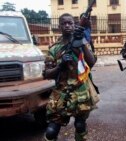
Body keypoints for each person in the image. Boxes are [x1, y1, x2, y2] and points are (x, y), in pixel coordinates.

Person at [43, 13, 97, 141]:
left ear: (74, 25)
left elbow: (91, 62)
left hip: (80, 92)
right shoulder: (55, 49)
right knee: (51, 131)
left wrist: (81, 43)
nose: (67, 25)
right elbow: (46, 74)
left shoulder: (82, 42)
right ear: (59, 26)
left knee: (80, 125)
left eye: (70, 23)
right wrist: (59, 66)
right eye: (64, 23)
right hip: (60, 94)